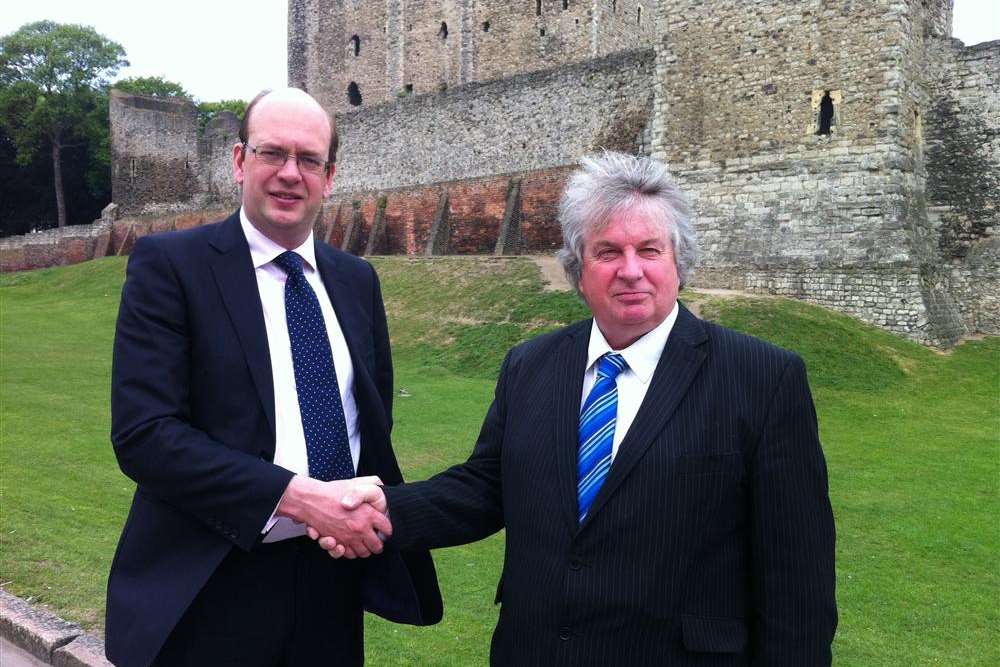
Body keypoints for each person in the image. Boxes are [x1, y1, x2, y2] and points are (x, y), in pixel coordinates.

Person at [323, 152, 837, 665]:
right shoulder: (531, 365)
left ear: (679, 262)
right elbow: (487, 486)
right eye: (608, 251)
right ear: (578, 268)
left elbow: (797, 580)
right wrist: (386, 511)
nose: (630, 271)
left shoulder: (763, 378)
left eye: (650, 250)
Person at [106, 87, 441, 667]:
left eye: (309, 160)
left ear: (330, 176)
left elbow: (369, 420)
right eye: (272, 154)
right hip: (213, 578)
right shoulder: (172, 265)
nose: (290, 174)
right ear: (239, 161)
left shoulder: (356, 279)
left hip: (330, 581)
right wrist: (298, 498)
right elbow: (146, 435)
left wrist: (356, 510)